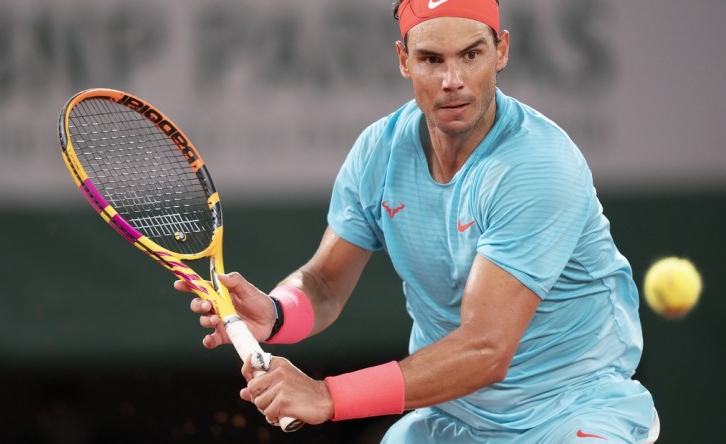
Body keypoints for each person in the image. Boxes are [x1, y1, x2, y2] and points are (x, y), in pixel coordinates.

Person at [177, 0, 660, 442]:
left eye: (471, 55)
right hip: (452, 419)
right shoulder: (380, 150)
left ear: (502, 50)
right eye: (432, 59)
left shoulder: (537, 166)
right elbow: (325, 282)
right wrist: (278, 312)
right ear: (404, 60)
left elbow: (486, 349)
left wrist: (327, 396)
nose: (453, 79)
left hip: (570, 410)